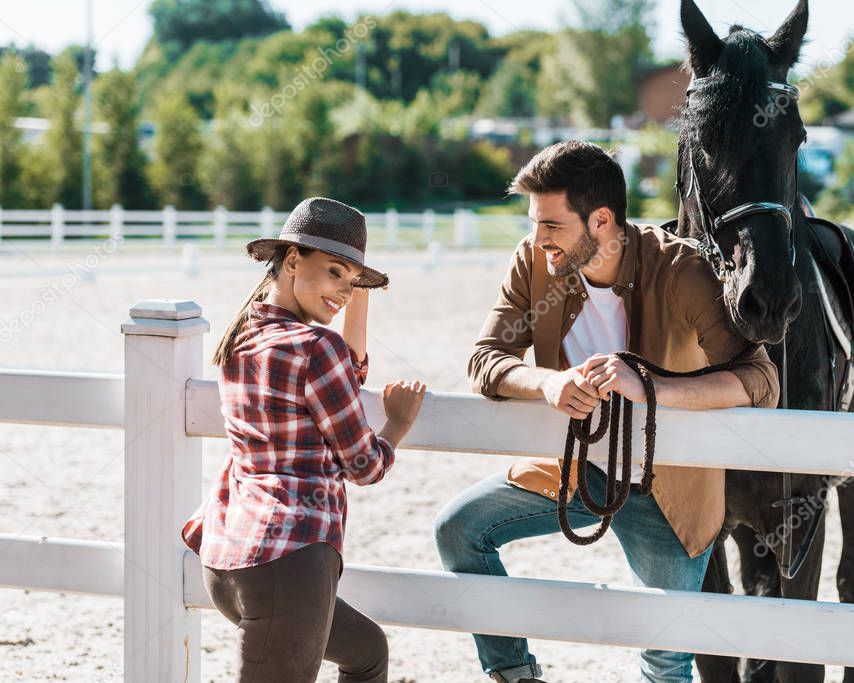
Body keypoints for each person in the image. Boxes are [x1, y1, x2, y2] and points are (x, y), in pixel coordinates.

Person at [434, 141, 780, 683]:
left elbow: (761, 379)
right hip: (571, 468)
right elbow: (484, 360)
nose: (538, 238)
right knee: (458, 531)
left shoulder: (681, 269)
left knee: (665, 661)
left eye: (552, 225)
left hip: (669, 487)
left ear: (601, 220)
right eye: (535, 223)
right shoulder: (533, 260)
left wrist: (651, 386)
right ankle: (513, 674)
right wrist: (547, 383)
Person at [181, 197, 426, 683]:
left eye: (352, 282)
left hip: (229, 561)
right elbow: (364, 466)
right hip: (289, 561)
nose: (343, 291)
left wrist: (354, 295)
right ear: (293, 260)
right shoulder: (317, 348)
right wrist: (397, 424)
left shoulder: (244, 335)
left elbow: (334, 381)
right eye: (335, 272)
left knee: (366, 652)